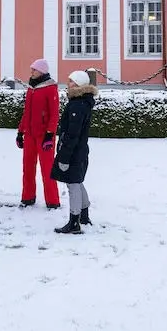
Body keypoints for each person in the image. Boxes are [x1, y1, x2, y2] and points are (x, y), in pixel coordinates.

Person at [51, 70, 97, 235]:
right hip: (80, 150)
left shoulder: (77, 104)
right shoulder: (82, 101)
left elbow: (72, 134)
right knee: (78, 181)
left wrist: (64, 157)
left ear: (78, 85)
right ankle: (84, 215)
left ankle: (74, 222)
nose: (68, 83)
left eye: (71, 81)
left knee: (73, 183)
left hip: (74, 152)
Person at [16, 58, 61, 209]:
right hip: (29, 134)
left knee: (47, 168)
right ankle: (27, 197)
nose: (31, 72)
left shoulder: (50, 88)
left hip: (44, 135)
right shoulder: (31, 87)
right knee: (27, 167)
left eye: (34, 70)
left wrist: (50, 134)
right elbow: (26, 112)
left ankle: (52, 200)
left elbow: (54, 114)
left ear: (41, 71)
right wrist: (20, 132)